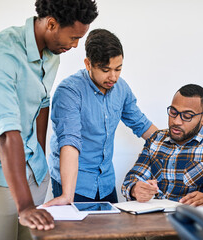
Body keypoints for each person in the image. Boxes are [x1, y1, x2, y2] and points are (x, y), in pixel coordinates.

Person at [0, 0, 98, 239]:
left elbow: (42, 103)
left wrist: (40, 158)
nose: (76, 45)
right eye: (73, 37)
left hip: (34, 172)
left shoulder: (53, 54)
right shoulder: (1, 53)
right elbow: (6, 132)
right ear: (51, 24)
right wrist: (25, 205)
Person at [44, 29, 158, 207]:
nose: (113, 76)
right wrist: (67, 195)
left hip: (105, 182)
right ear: (88, 64)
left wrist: (174, 146)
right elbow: (69, 142)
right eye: (106, 70)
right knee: (79, 235)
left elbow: (142, 125)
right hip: (75, 183)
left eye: (118, 69)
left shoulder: (121, 88)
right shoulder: (69, 91)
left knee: (111, 233)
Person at [121, 84, 203, 206]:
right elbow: (130, 180)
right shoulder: (156, 140)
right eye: (173, 112)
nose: (176, 121)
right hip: (153, 219)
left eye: (187, 116)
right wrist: (135, 189)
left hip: (191, 221)